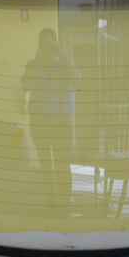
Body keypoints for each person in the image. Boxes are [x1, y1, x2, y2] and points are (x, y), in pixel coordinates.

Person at [21, 28, 80, 212]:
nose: (47, 48)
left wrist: (63, 55)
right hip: (40, 121)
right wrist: (37, 60)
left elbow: (77, 81)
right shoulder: (32, 65)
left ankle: (65, 203)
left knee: (63, 163)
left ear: (56, 45)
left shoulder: (64, 65)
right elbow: (25, 84)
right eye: (43, 44)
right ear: (39, 45)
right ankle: (52, 203)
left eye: (50, 44)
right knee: (46, 165)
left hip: (62, 121)